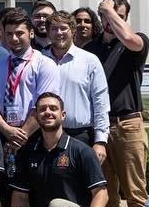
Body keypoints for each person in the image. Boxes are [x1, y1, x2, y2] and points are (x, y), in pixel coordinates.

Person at [8, 93, 108, 207]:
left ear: (63, 115)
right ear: (36, 115)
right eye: (42, 109)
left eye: (53, 108)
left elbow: (101, 193)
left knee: (57, 205)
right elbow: (19, 196)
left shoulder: (82, 150)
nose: (47, 112)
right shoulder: (27, 153)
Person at [90, 0, 149, 207]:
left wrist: (109, 10)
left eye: (119, 16)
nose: (111, 22)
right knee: (105, 193)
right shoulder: (91, 48)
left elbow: (128, 38)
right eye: (105, 17)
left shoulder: (136, 43)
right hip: (101, 127)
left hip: (128, 125)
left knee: (136, 192)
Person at [0, 7, 60, 158]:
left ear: (31, 33)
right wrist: (6, 130)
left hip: (34, 136)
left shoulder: (44, 64)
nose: (14, 39)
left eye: (19, 33)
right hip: (2, 135)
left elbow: (42, 105)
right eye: (9, 34)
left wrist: (19, 138)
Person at [44, 12, 110, 163]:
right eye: (54, 29)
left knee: (82, 185)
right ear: (48, 32)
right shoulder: (39, 59)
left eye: (63, 28)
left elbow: (101, 103)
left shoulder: (90, 61)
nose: (59, 33)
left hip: (80, 137)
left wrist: (100, 141)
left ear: (73, 31)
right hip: (46, 136)